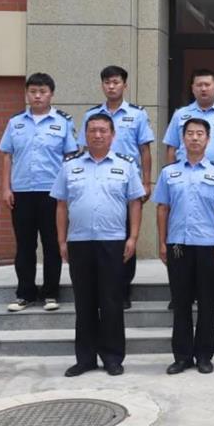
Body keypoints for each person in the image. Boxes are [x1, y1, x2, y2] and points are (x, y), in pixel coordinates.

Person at [51, 114, 144, 377]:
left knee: (111, 301)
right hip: (79, 242)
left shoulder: (125, 165)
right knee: (84, 302)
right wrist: (62, 240)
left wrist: (133, 237)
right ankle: (85, 358)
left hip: (113, 241)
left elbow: (135, 203)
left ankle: (113, 357)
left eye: (103, 130)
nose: (98, 135)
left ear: (113, 135)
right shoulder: (70, 166)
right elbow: (61, 205)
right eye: (92, 130)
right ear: (85, 135)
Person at [153, 118, 214, 375]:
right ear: (183, 139)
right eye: (190, 133)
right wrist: (162, 242)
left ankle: (204, 356)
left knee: (207, 303)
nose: (195, 138)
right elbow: (162, 209)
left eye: (200, 134)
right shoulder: (169, 173)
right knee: (181, 302)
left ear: (208, 139)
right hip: (178, 244)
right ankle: (182, 356)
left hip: (207, 245)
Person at [163, 68, 214, 310]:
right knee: (182, 239)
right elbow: (171, 148)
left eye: (208, 84)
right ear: (192, 88)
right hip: (184, 180)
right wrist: (171, 178)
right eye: (199, 85)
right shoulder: (181, 115)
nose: (203, 88)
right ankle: (180, 294)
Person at [0, 72, 78, 313]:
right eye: (33, 91)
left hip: (52, 193)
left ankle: (51, 293)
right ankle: (25, 293)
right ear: (27, 94)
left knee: (52, 244)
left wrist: (69, 192)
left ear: (51, 94)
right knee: (25, 245)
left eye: (42, 92)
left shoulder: (63, 122)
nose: (37, 96)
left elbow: (70, 158)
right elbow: (7, 156)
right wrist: (6, 188)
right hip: (21, 192)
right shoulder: (15, 122)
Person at [79, 65, 154, 309]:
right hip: (98, 182)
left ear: (125, 85)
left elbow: (144, 150)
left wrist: (146, 182)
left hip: (127, 184)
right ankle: (99, 288)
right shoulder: (92, 115)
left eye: (116, 82)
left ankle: (122, 290)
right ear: (102, 85)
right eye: (107, 82)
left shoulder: (137, 114)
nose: (111, 86)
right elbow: (84, 150)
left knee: (126, 237)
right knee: (101, 237)